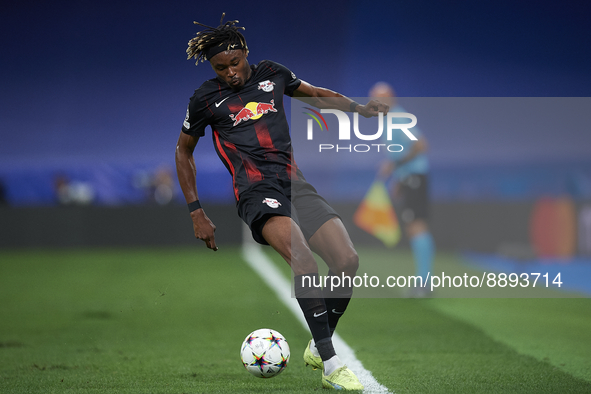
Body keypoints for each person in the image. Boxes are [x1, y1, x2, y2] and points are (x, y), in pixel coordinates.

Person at [175, 14, 388, 390]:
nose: (230, 73)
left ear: (246, 54)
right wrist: (196, 211)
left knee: (347, 260)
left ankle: (316, 343)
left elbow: (318, 94)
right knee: (303, 260)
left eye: (235, 63)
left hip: (294, 183)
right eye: (221, 68)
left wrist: (359, 109)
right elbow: (183, 152)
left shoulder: (273, 74)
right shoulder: (205, 99)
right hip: (256, 193)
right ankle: (331, 364)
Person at [371, 82, 435, 297]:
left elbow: (420, 145)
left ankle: (424, 283)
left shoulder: (397, 118)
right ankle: (423, 281)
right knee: (414, 227)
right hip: (409, 178)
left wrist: (394, 166)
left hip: (415, 178)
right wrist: (398, 179)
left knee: (417, 226)